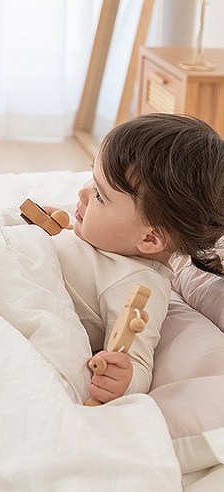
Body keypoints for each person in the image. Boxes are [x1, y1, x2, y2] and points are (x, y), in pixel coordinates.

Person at [45, 113, 224, 404]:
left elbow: (136, 360)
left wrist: (124, 379)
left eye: (100, 197)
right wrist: (44, 229)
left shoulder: (139, 284)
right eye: (93, 179)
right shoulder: (104, 240)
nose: (82, 193)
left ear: (150, 239)